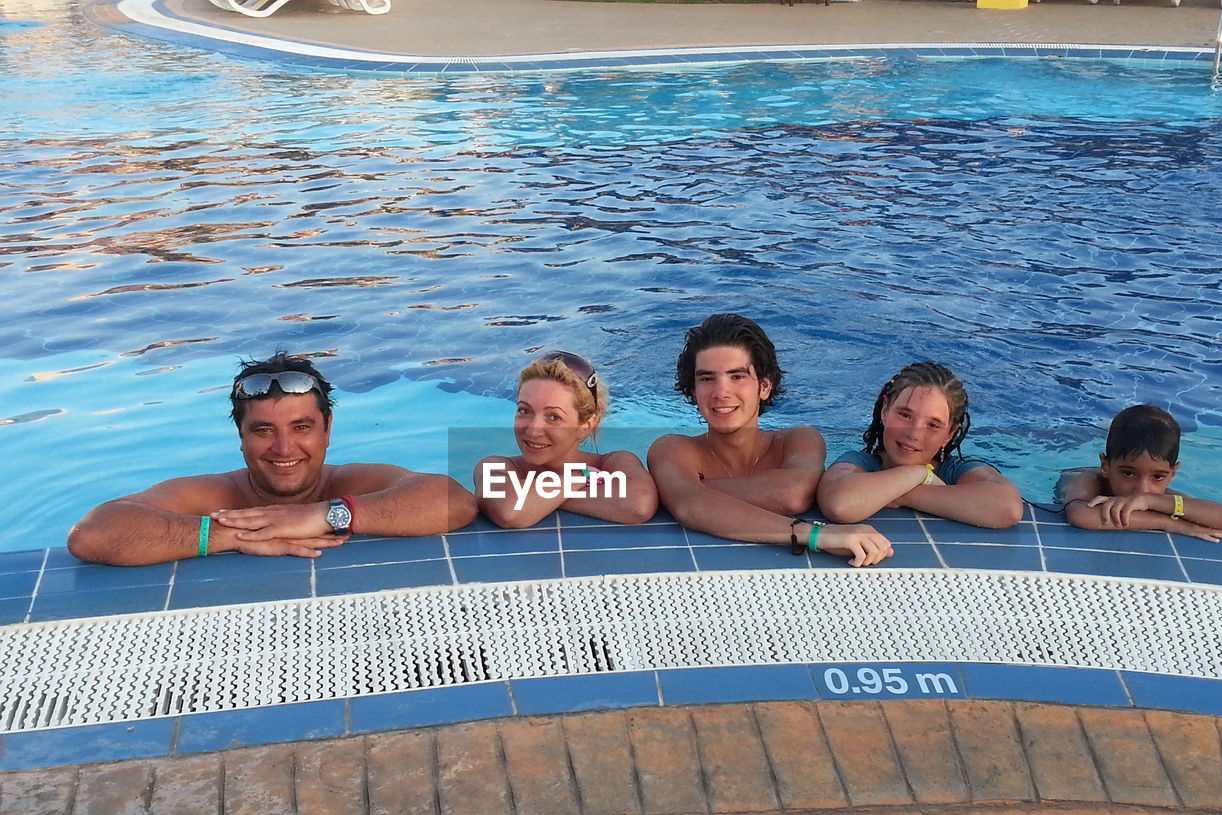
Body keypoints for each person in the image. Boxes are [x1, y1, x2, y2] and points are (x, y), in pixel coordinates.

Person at [67, 352, 477, 566]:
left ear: (327, 429)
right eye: (264, 430)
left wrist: (325, 516)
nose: (284, 449)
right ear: (240, 436)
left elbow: (455, 501)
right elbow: (94, 534)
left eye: (301, 428)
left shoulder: (346, 485)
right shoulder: (214, 496)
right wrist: (241, 537)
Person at [647, 313, 892, 567]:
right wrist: (816, 535)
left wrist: (682, 489)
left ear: (764, 387)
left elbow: (791, 495)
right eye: (707, 379)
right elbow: (691, 505)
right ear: (693, 390)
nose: (721, 392)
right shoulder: (674, 448)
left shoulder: (798, 440)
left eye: (737, 376)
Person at [817, 362, 1022, 530]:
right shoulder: (861, 462)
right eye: (905, 415)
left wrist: (901, 493)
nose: (914, 433)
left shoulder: (953, 470)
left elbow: (1007, 508)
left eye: (933, 425)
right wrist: (918, 475)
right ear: (885, 411)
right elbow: (840, 504)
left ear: (948, 435)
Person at [474, 350, 657, 528]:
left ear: (586, 425)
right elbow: (509, 512)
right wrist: (579, 477)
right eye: (524, 410)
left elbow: (639, 506)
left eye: (554, 417)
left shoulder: (614, 463)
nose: (533, 430)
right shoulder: (495, 465)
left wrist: (536, 499)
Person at [1059, 404, 1222, 542]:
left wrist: (1151, 501)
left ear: (1173, 474)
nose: (1142, 488)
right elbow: (1080, 515)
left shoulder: (1153, 497)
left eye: (1158, 477)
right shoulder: (1090, 480)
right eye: (1128, 474)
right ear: (1105, 466)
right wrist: (1170, 523)